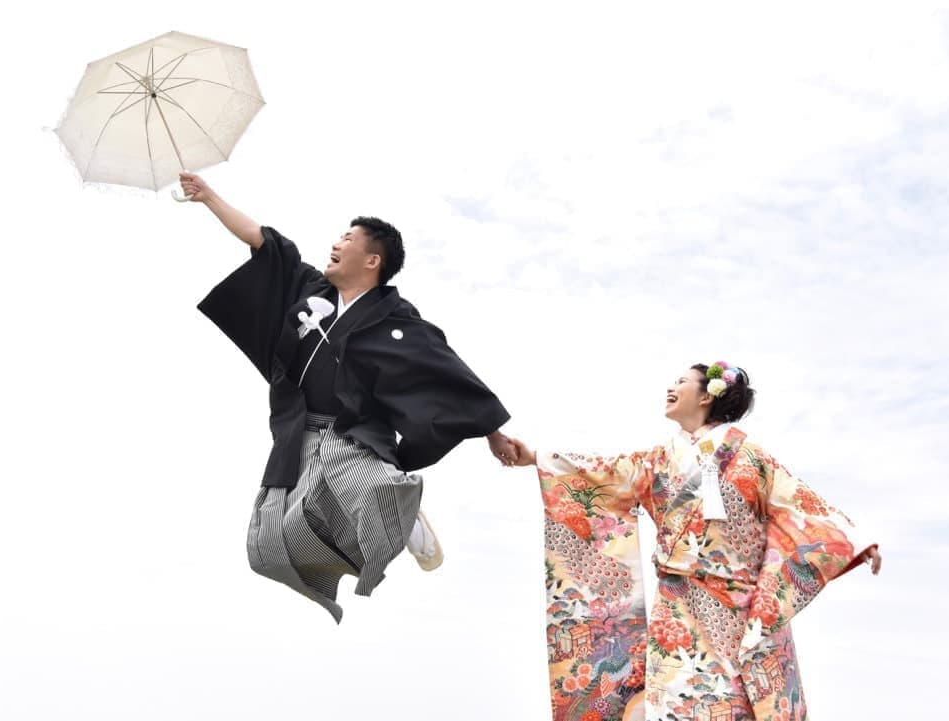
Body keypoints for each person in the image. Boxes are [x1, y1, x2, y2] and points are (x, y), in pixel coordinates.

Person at [180, 172, 517, 624]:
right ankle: (377, 526)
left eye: (347, 238)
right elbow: (265, 243)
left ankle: (405, 510)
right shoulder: (309, 289)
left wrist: (494, 433)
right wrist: (208, 198)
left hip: (351, 435)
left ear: (372, 259)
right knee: (267, 546)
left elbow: (447, 373)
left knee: (377, 489)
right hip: (298, 434)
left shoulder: (395, 319)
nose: (336, 244)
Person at [507, 362, 881, 721]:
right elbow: (606, 471)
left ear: (707, 396)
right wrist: (536, 458)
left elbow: (798, 505)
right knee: (675, 700)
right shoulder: (658, 460)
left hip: (740, 606)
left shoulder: (751, 456)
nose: (671, 387)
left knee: (738, 701)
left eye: (681, 381)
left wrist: (855, 541)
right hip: (678, 603)